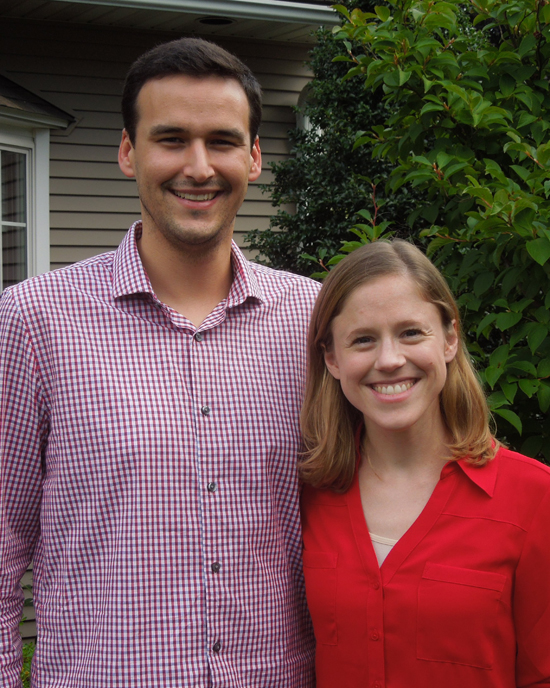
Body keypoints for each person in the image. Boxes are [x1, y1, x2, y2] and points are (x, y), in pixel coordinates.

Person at [0, 38, 319, 687]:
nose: (198, 167)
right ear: (129, 152)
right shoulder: (34, 321)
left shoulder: (312, 320)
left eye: (222, 141)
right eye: (171, 139)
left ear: (255, 156)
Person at [300, 239, 550, 687]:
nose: (390, 360)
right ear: (332, 358)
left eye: (411, 332)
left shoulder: (534, 498)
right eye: (363, 340)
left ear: (450, 338)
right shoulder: (307, 496)